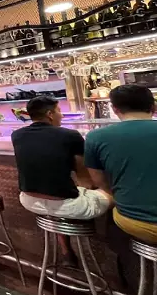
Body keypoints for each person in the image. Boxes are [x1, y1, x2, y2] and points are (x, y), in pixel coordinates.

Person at [84, 85, 157, 289]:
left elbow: (100, 183)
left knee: (112, 218)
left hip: (132, 222)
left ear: (114, 109)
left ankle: (134, 289)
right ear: (153, 106)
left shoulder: (96, 137)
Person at [12, 96, 111, 265]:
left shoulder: (17, 135)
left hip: (28, 200)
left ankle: (67, 251)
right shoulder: (70, 135)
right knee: (111, 195)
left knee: (59, 196)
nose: (62, 116)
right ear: (50, 114)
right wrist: (101, 189)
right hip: (65, 204)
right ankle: (113, 258)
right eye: (59, 111)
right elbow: (85, 178)